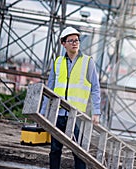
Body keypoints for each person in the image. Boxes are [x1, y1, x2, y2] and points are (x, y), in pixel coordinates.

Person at [40, 26, 101, 169]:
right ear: (63, 43)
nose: (75, 43)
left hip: (77, 116)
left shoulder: (87, 62)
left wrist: (96, 112)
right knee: (55, 150)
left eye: (77, 40)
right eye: (71, 40)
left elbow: (95, 88)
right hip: (58, 114)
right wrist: (43, 112)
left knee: (79, 152)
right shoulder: (58, 62)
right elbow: (49, 89)